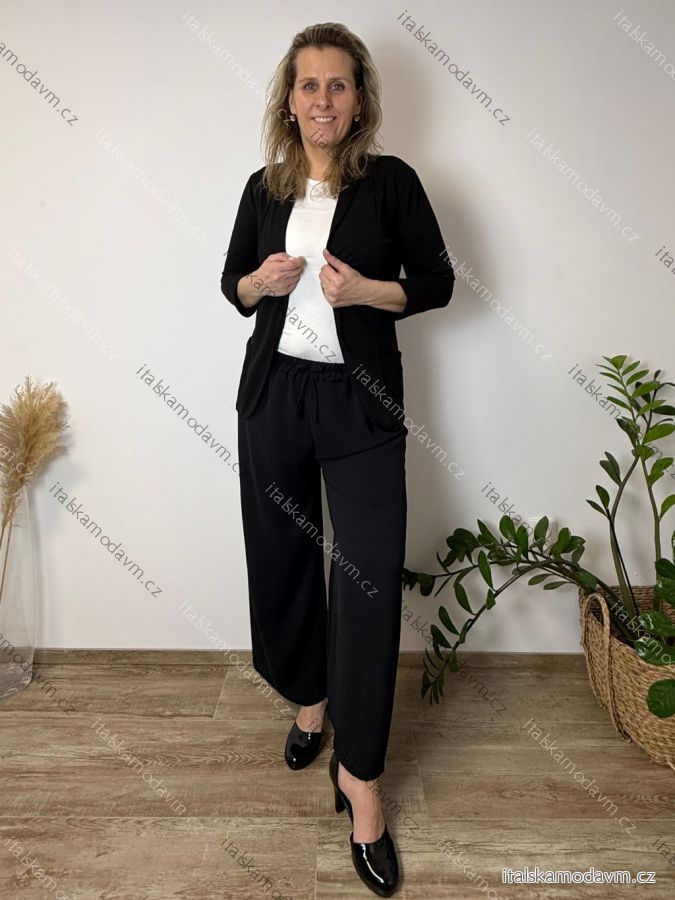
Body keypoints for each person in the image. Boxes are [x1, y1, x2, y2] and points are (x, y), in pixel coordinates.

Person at [221, 21, 454, 897]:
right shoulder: (264, 187)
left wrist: (362, 292)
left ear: (359, 100)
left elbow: (435, 282)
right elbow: (232, 285)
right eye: (308, 84)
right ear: (289, 99)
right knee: (281, 558)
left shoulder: (391, 184)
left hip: (360, 401)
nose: (322, 99)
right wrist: (259, 284)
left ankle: (359, 778)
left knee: (366, 578)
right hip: (275, 397)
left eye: (338, 84)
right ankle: (309, 702)